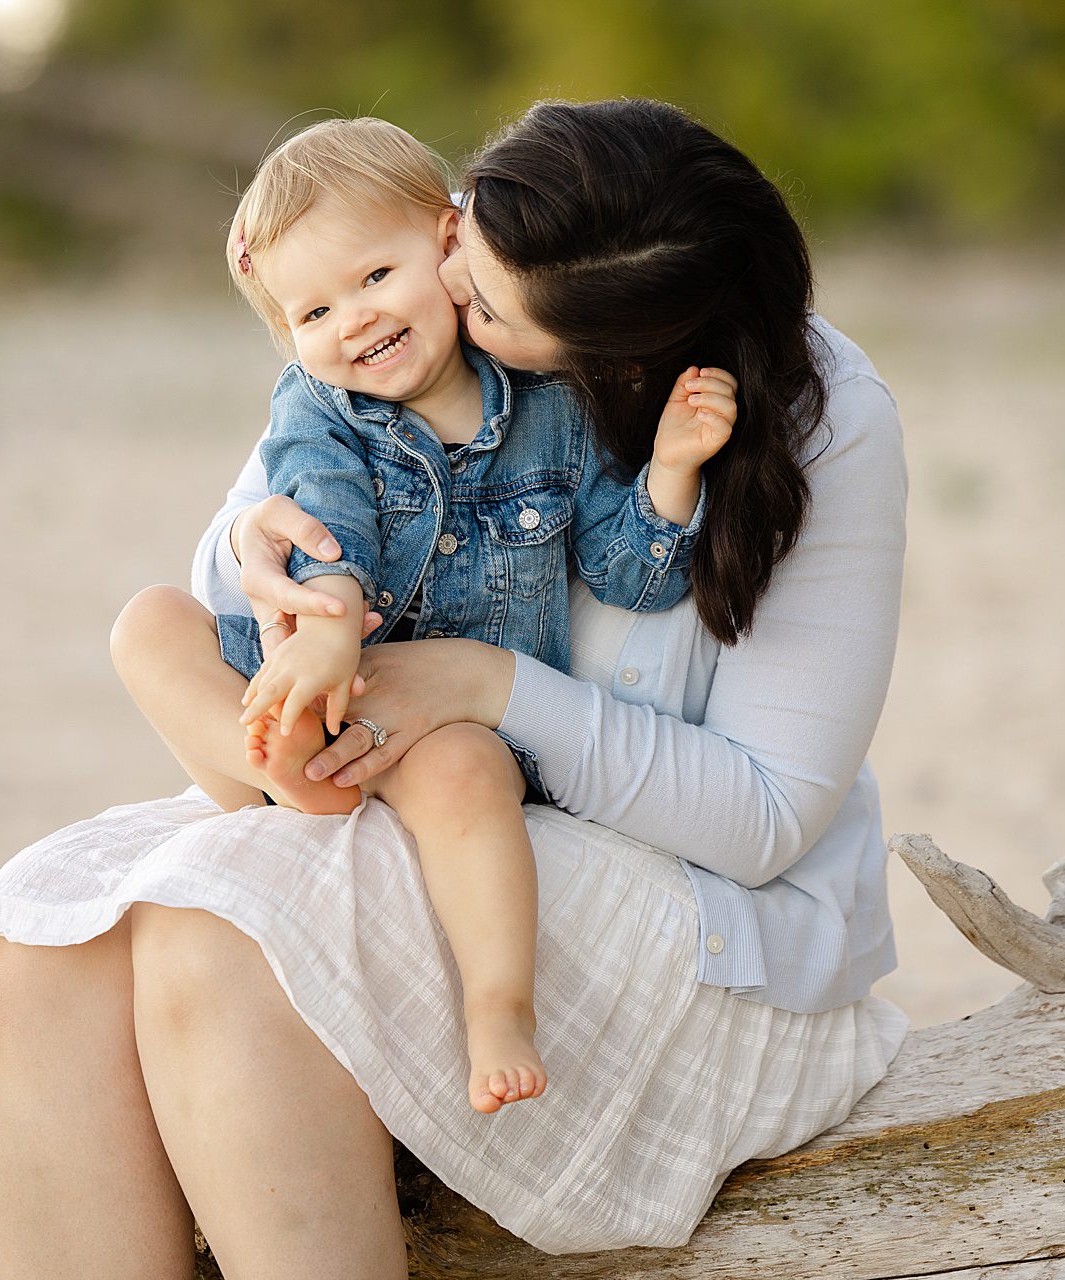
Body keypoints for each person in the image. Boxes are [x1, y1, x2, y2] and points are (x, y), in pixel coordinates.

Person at [0, 98, 909, 1278]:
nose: (438, 288)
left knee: (217, 934)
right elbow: (293, 499)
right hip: (418, 793)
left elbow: (761, 825)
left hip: (697, 915)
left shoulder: (819, 417)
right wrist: (252, 538)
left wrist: (483, 683)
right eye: (455, 234)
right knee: (27, 942)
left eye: (479, 297)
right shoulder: (444, 285)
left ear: (609, 346)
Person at [110, 117, 734, 1115]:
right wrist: (322, 626)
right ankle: (266, 779)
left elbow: (632, 575)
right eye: (311, 309)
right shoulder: (317, 407)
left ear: (449, 246)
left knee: (467, 771)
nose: (350, 321)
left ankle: (496, 1006)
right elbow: (325, 512)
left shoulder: (553, 406)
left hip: (445, 718)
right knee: (148, 622)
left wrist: (667, 473)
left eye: (371, 278)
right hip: (317, 671)